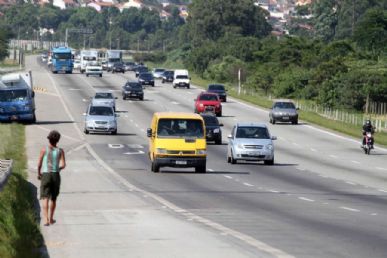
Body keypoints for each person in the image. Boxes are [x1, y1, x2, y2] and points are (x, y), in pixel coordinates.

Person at [37, 130, 66, 226]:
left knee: (45, 197)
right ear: (58, 140)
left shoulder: (44, 150)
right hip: (55, 175)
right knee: (53, 198)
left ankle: (45, 219)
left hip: (45, 174)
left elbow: (39, 164)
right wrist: (58, 169)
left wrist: (39, 173)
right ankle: (51, 218)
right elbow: (63, 165)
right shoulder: (60, 151)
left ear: (49, 139)